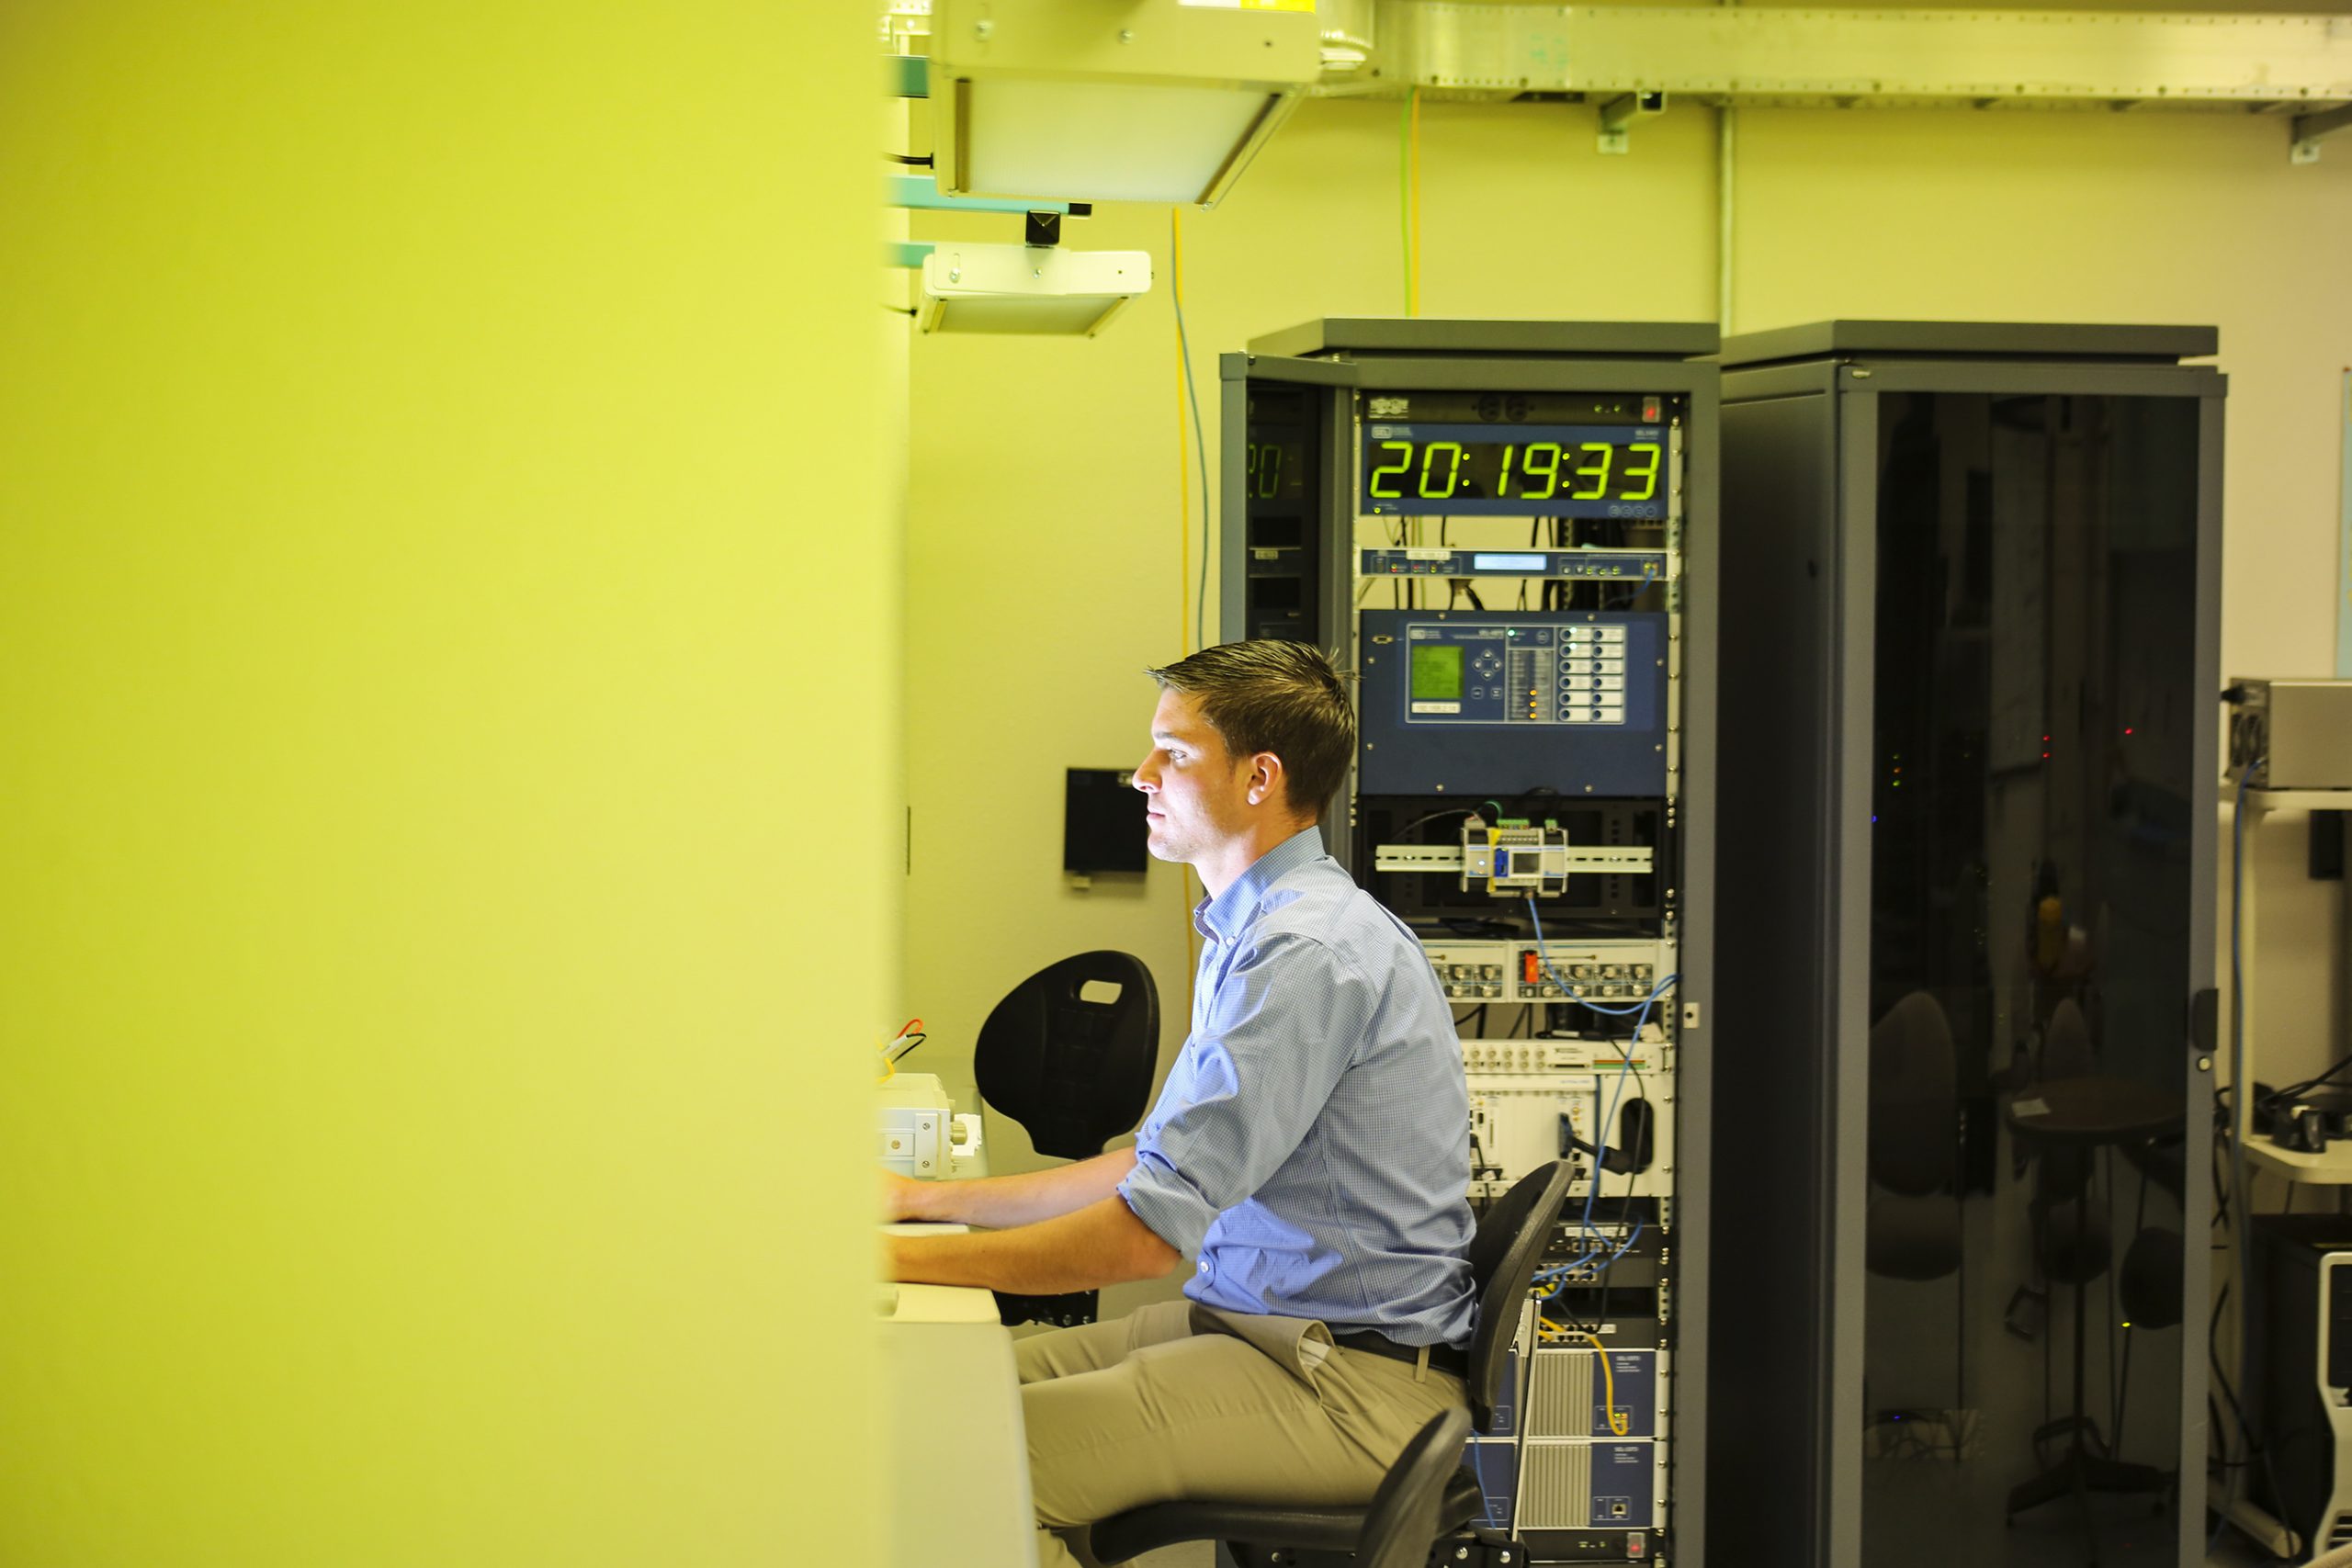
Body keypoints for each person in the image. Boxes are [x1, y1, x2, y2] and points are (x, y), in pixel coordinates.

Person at [882, 639, 1474, 1568]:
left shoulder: (1304, 953)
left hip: (1346, 1384)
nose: (1141, 774)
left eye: (1175, 752)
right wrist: (923, 1203)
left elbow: (1142, 1239)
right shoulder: (1260, 928)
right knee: (915, 1394)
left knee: (933, 1464)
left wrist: (883, 1260)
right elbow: (1149, 1168)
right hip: (1260, 1329)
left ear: (1259, 778)